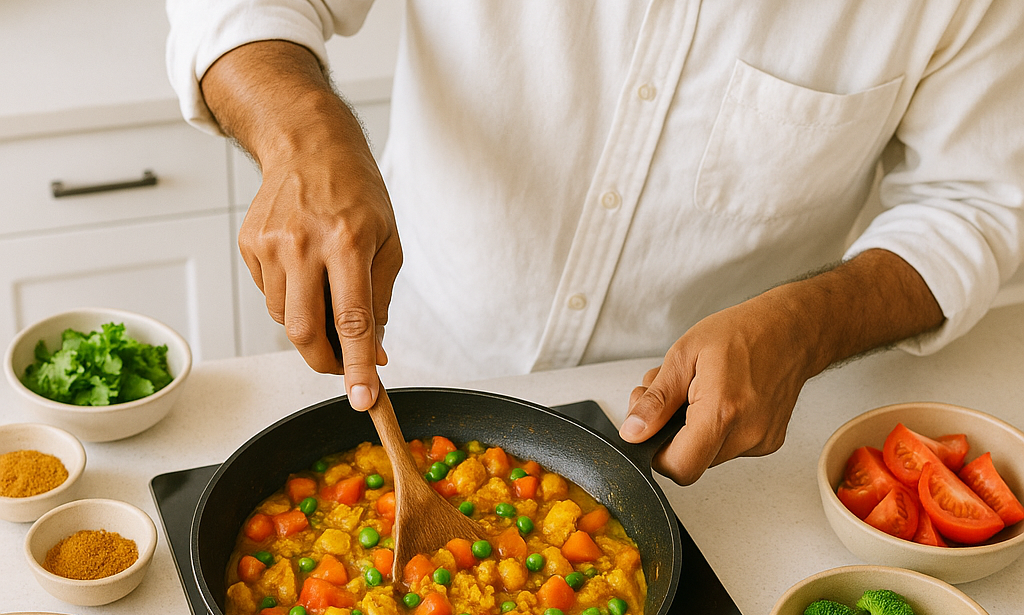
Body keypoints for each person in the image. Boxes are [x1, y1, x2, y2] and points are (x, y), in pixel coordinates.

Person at [166, 1, 1024, 485]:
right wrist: (302, 130)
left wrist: (807, 324)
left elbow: (976, 202)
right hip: (408, 357)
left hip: (695, 435)